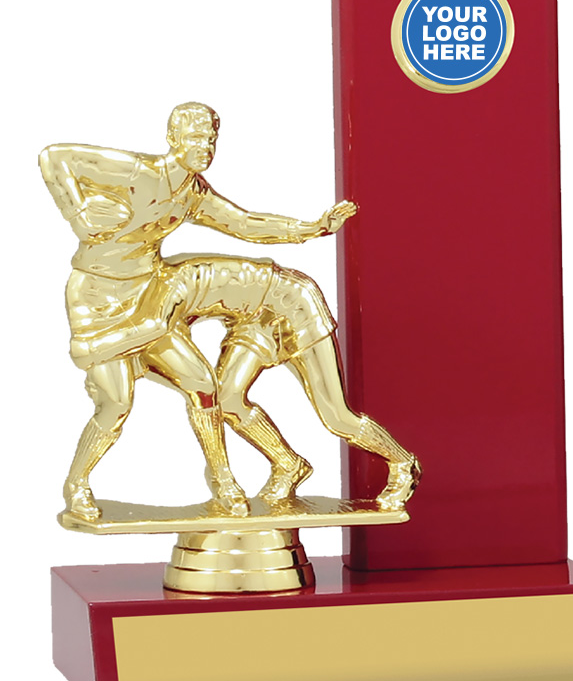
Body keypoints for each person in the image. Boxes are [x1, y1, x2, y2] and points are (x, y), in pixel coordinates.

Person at [40, 102, 420, 521]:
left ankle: (224, 481)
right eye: (195, 138)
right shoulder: (137, 174)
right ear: (173, 140)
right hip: (98, 296)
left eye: (211, 140)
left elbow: (244, 223)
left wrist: (308, 229)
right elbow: (54, 157)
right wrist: (78, 211)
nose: (205, 148)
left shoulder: (193, 195)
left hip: (150, 292)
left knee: (205, 385)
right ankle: (77, 484)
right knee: (115, 403)